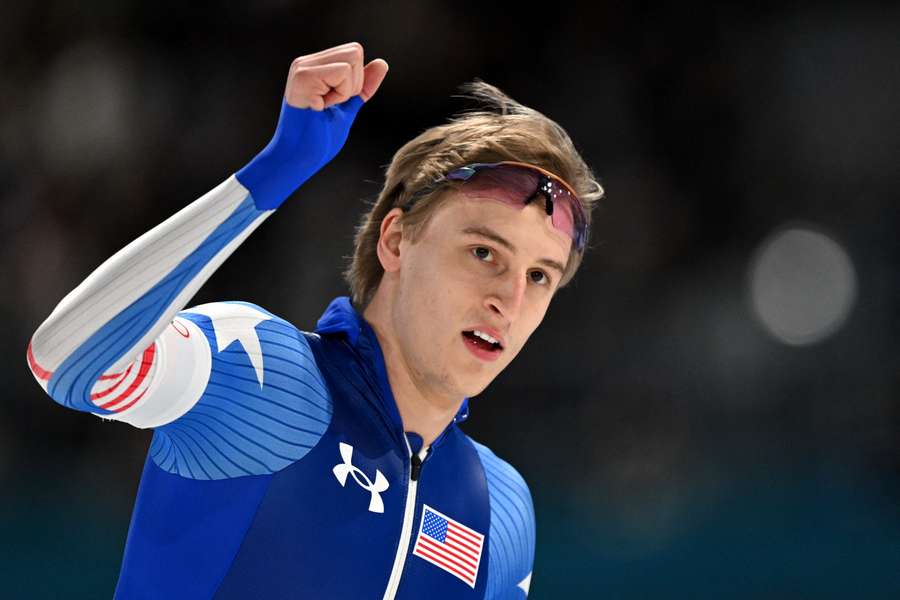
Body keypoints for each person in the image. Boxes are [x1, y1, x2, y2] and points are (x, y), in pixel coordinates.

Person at [26, 41, 603, 599]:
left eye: (539, 277)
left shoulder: (500, 508)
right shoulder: (263, 375)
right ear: (397, 241)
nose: (509, 299)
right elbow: (68, 364)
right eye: (484, 253)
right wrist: (276, 171)